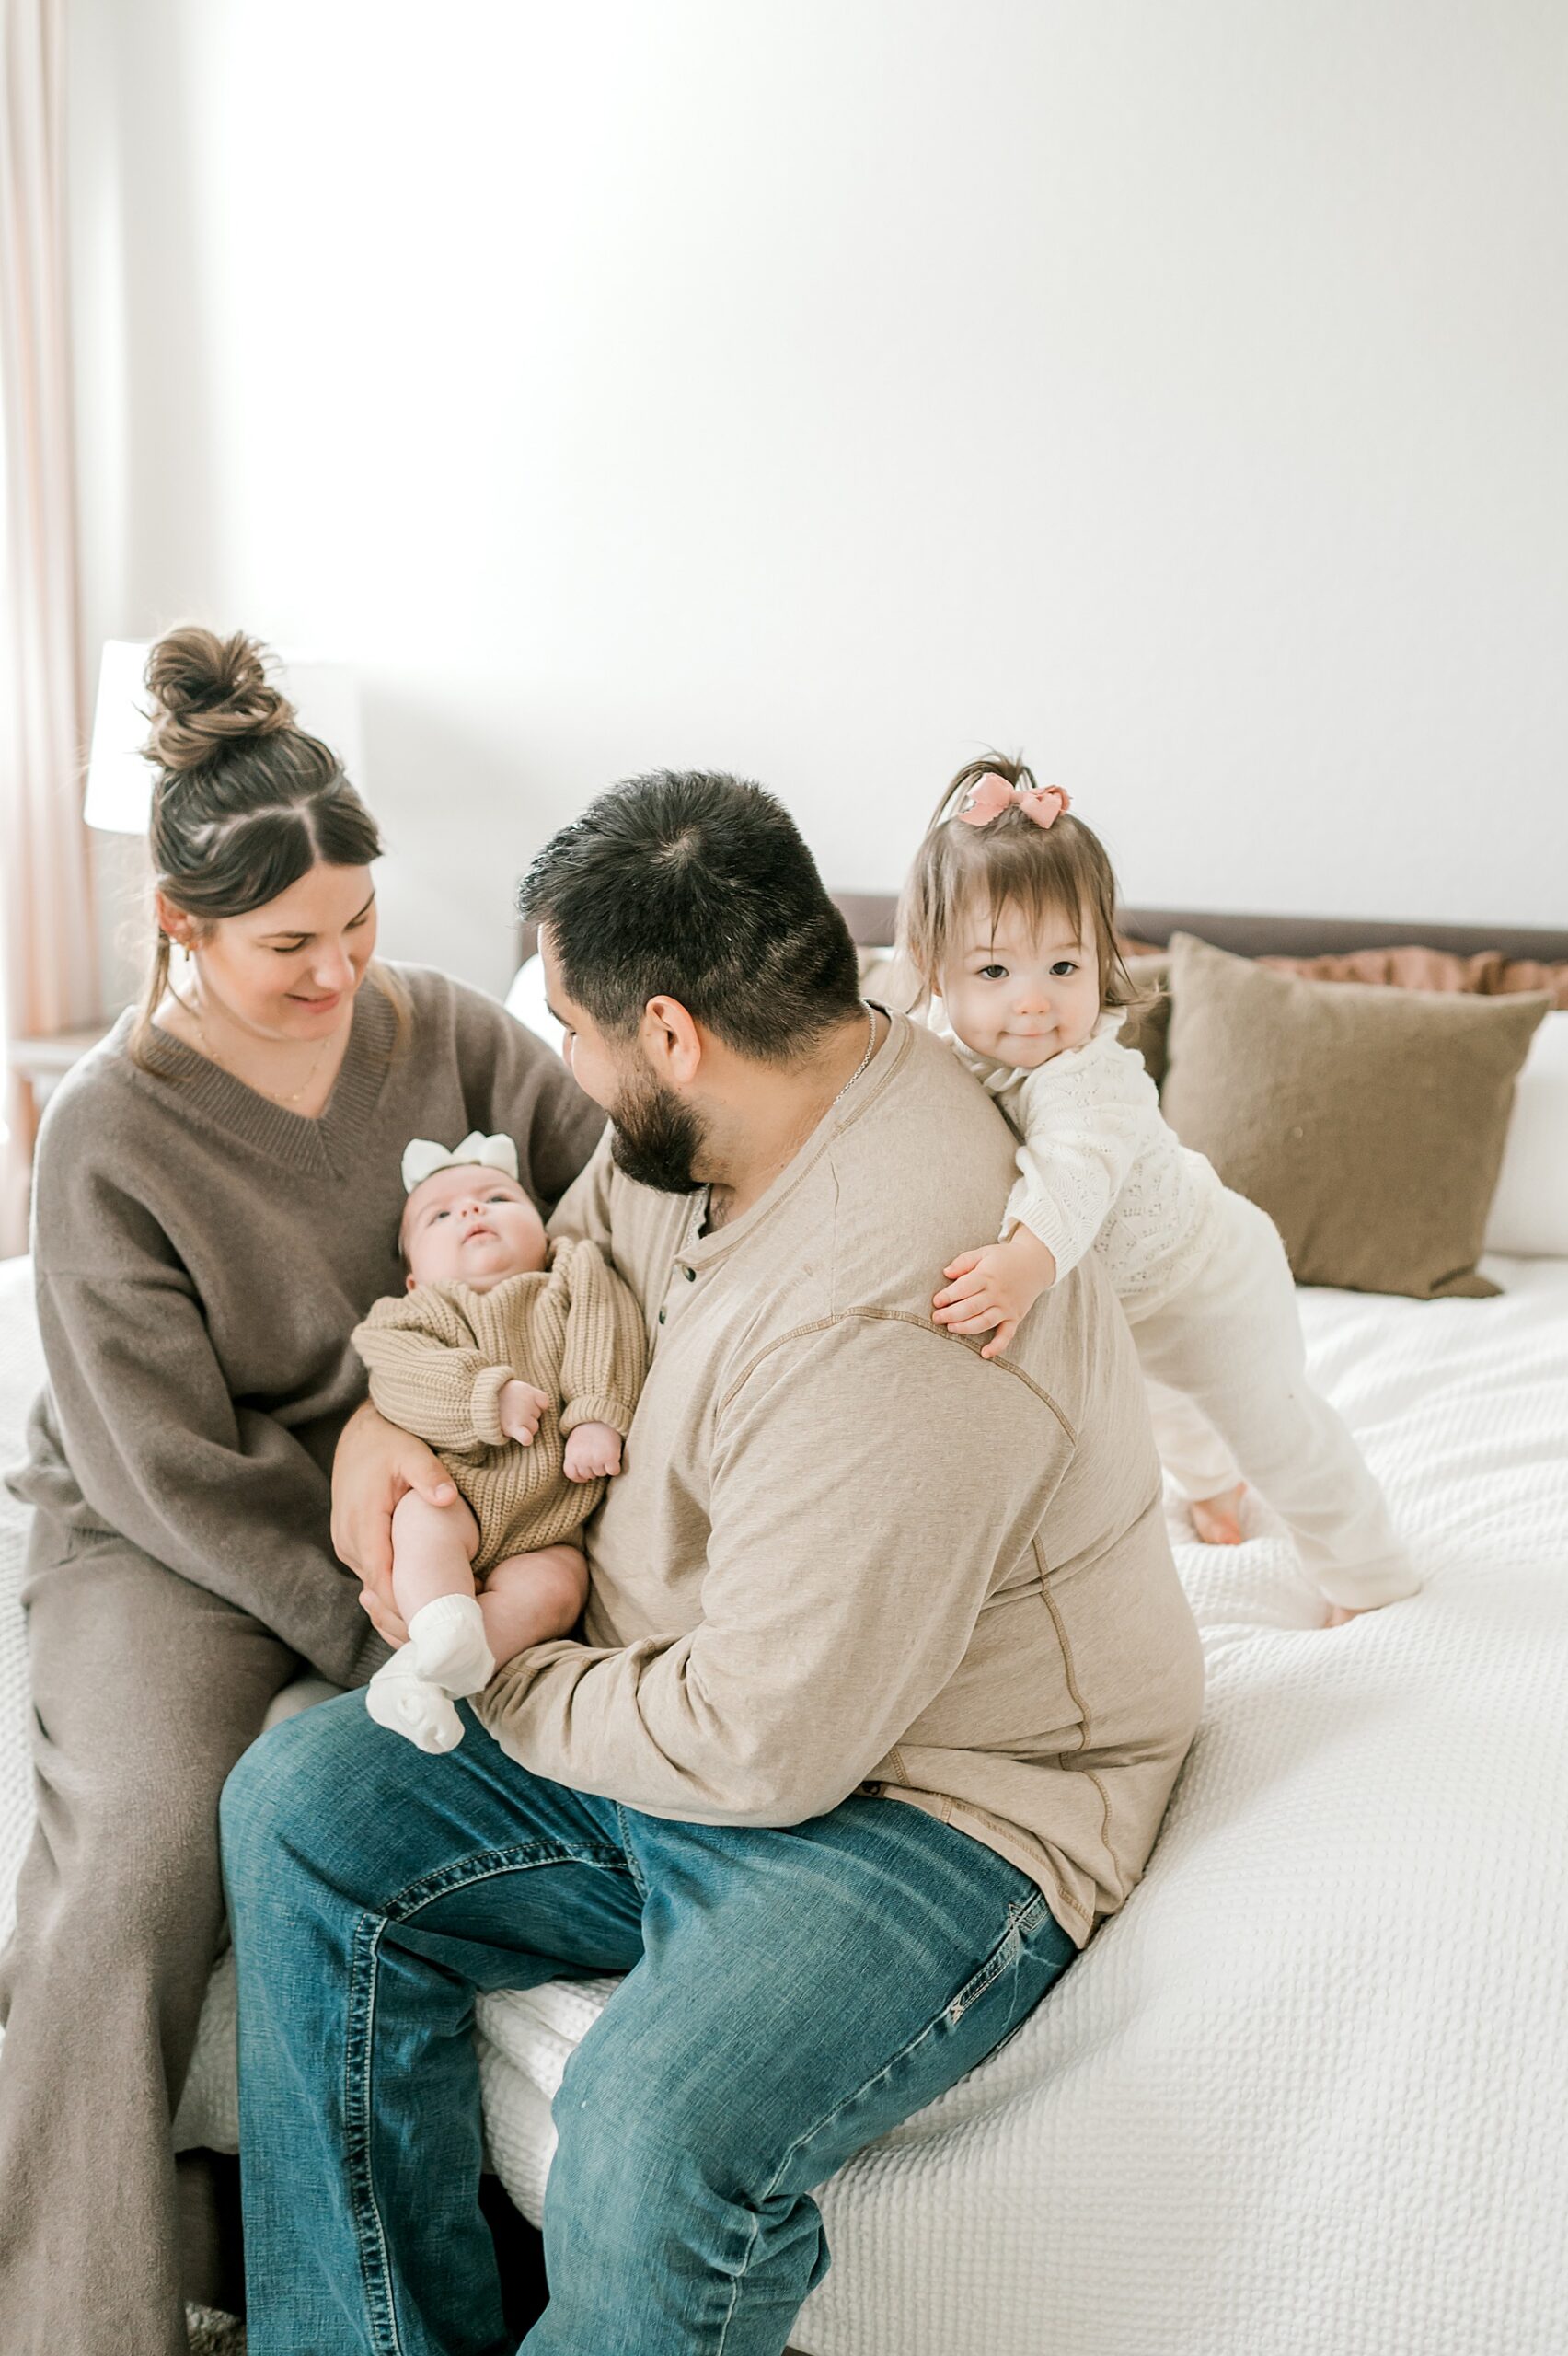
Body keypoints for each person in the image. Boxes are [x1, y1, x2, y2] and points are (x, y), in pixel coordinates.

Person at [220, 769, 1207, 2356]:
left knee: (651, 2137)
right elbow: (570, 1284)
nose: (568, 1064)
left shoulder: (894, 1296)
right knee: (299, 1813)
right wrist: (381, 1435)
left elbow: (767, 1740)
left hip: (929, 1792)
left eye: (575, 1029)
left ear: (670, 1034)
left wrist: (515, 1665)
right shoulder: (711, 1130)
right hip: (690, 1698)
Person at [0, 628, 604, 2356]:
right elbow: (166, 1467)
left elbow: (622, 1208)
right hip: (174, 1540)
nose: (342, 971)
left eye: (356, 925)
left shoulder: (457, 1038)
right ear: (182, 928)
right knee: (127, 1872)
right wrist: (385, 1629)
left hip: (458, 1505)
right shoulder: (107, 1130)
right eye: (290, 948)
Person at [908, 754, 1420, 1620]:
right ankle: (1215, 1495)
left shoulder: (1087, 1078)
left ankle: (1371, 1579)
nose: (1033, 1003)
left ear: (1100, 959)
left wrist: (1024, 1266)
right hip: (1125, 1304)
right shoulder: (939, 1037)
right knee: (1167, 1419)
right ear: (935, 970)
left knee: (1278, 1432)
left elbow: (1073, 1175)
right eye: (995, 972)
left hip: (1210, 1277)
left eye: (1064, 969)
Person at [353, 1128, 645, 1754]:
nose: (472, 1210)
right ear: (413, 1278)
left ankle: (430, 1673)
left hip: (549, 1526)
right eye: (440, 1214)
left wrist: (595, 1416)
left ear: (542, 1233)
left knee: (558, 1590)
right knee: (421, 1524)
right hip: (456, 1489)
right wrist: (487, 1396)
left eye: (498, 1199)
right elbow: (402, 1379)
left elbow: (608, 1332)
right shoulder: (409, 1317)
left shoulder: (571, 1273)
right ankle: (442, 1626)